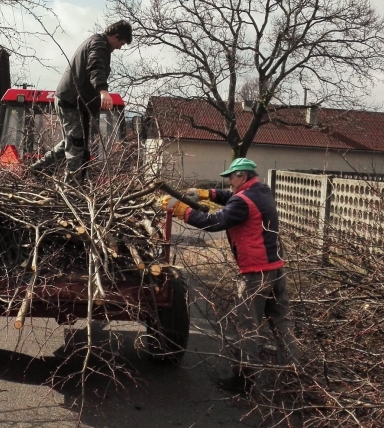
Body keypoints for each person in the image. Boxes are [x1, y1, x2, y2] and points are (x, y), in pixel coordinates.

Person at [162, 157, 299, 394]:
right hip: (276, 270)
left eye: (231, 177)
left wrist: (184, 211)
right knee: (282, 324)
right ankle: (294, 374)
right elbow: (232, 197)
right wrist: (207, 193)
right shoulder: (262, 191)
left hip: (255, 276)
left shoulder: (244, 201)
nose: (228, 181)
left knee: (247, 328)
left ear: (242, 177)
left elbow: (213, 222)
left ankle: (244, 380)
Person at [27, 20, 132, 183]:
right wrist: (103, 90)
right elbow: (95, 66)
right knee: (76, 145)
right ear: (116, 36)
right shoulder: (98, 45)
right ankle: (72, 189)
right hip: (71, 100)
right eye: (121, 43)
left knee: (75, 142)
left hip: (79, 103)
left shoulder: (100, 45)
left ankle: (37, 169)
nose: (120, 47)